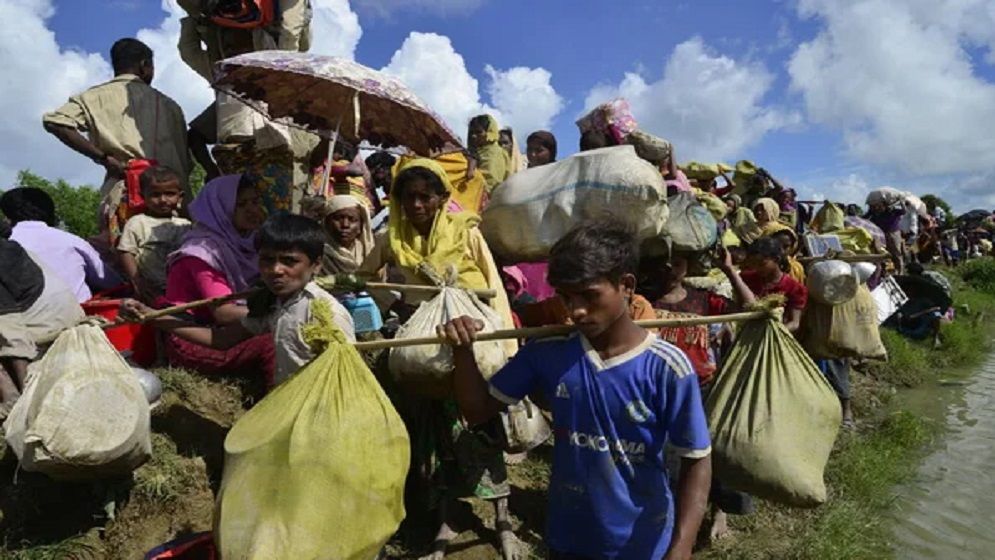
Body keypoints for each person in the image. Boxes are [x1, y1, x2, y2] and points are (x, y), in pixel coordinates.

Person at [441, 219, 712, 560]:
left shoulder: (666, 367)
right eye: (567, 297)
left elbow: (696, 459)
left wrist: (682, 546)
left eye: (589, 294)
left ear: (626, 285)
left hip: (642, 543)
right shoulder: (547, 354)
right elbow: (477, 411)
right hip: (567, 538)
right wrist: (462, 349)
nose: (577, 310)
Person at [357, 158, 516, 560]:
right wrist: (395, 306)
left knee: (482, 429)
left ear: (443, 198)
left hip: (475, 333)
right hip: (424, 339)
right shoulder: (391, 236)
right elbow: (365, 276)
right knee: (437, 435)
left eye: (424, 197)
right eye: (407, 197)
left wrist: (504, 338)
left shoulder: (466, 233)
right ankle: (443, 520)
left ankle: (503, 520)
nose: (416, 205)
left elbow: (493, 283)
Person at [121, 214, 353, 387]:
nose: (276, 270)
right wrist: (152, 316)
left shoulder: (326, 313)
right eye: (267, 260)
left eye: (289, 261)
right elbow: (220, 340)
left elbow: (348, 375)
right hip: (288, 401)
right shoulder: (273, 305)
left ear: (316, 265)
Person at [42, 38, 191, 240]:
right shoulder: (170, 106)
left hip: (123, 196)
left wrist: (104, 158)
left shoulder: (92, 97)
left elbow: (56, 122)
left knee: (123, 258)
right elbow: (185, 162)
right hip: (172, 203)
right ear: (145, 65)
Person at [160, 175, 274, 383]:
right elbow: (224, 312)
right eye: (241, 205)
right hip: (197, 337)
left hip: (229, 331)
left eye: (255, 202)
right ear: (219, 209)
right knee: (275, 341)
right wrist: (278, 312)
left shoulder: (249, 242)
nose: (252, 210)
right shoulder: (202, 252)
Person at [0, 239, 84, 418]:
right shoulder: (13, 247)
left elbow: (14, 337)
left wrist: (29, 401)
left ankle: (14, 400)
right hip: (70, 329)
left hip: (46, 339)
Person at [1, 187, 120, 303]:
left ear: (7, 217)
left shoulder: (7, 243)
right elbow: (111, 282)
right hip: (78, 316)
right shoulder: (72, 241)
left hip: (19, 317)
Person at [117, 166, 192, 302]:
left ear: (180, 197)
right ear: (142, 196)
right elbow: (126, 252)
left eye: (169, 194)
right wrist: (137, 281)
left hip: (183, 289)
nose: (163, 200)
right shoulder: (137, 223)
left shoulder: (185, 225)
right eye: (155, 195)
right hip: (151, 289)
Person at [740, 238, 808, 334]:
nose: (757, 268)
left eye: (762, 264)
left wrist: (772, 333)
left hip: (777, 336)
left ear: (776, 259)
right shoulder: (746, 279)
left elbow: (794, 323)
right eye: (754, 264)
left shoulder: (794, 288)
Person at [319, 194, 374, 275]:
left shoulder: (370, 254)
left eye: (352, 220)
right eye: (338, 218)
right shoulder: (316, 253)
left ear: (360, 226)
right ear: (326, 223)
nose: (345, 225)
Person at [467, 115, 511, 193]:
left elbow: (494, 180)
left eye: (478, 132)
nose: (473, 136)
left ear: (490, 132)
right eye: (471, 132)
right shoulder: (471, 152)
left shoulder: (497, 153)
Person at [866, 198, 906, 274]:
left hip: (893, 234)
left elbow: (904, 211)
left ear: (885, 205)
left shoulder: (893, 211)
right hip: (881, 235)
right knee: (883, 253)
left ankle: (900, 272)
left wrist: (902, 203)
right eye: (877, 205)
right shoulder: (874, 213)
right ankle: (885, 271)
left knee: (896, 253)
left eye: (881, 205)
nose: (879, 207)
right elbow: (865, 218)